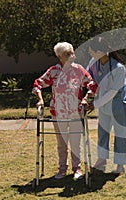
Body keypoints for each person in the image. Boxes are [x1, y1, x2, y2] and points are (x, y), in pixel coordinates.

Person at [32, 42, 97, 180]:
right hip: (58, 113)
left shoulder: (79, 70)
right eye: (68, 54)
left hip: (75, 113)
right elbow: (38, 84)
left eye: (72, 53)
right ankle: (62, 169)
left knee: (75, 143)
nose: (72, 56)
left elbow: (92, 85)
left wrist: (86, 98)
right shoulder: (53, 71)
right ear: (60, 56)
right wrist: (40, 99)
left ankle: (77, 169)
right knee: (61, 144)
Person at [87, 37, 126, 174]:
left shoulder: (119, 68)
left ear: (100, 51)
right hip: (104, 104)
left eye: (92, 52)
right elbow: (89, 80)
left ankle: (120, 165)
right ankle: (102, 159)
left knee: (120, 134)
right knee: (103, 133)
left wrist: (94, 104)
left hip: (118, 104)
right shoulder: (94, 63)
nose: (91, 55)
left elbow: (112, 92)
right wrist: (87, 96)